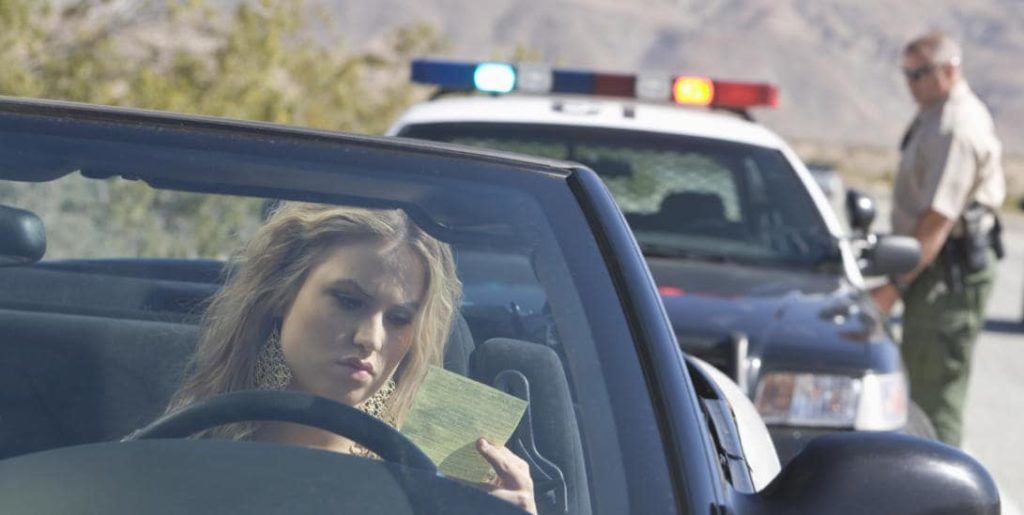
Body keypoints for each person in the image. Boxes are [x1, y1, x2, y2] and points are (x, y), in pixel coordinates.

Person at [166, 202, 536, 514]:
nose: (370, 338)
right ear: (281, 293)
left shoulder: (435, 481)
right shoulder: (181, 447)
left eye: (399, 319)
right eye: (348, 301)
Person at [871, 32, 1005, 447]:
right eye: (907, 74)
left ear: (950, 69)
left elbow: (936, 221)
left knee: (933, 401)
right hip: (931, 268)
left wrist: (893, 288)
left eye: (920, 73)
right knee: (916, 386)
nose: (911, 82)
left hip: (946, 273)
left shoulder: (955, 126)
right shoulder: (934, 113)